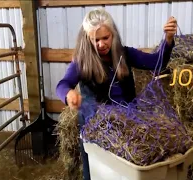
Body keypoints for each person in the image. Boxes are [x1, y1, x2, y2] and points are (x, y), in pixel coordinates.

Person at [56, 8, 177, 180]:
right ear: (87, 38)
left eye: (105, 38)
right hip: (97, 126)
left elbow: (156, 62)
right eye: (95, 40)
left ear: (113, 34)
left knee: (123, 171)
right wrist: (69, 95)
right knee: (96, 171)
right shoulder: (82, 61)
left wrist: (168, 40)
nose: (101, 44)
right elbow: (63, 85)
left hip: (127, 122)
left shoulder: (125, 54)